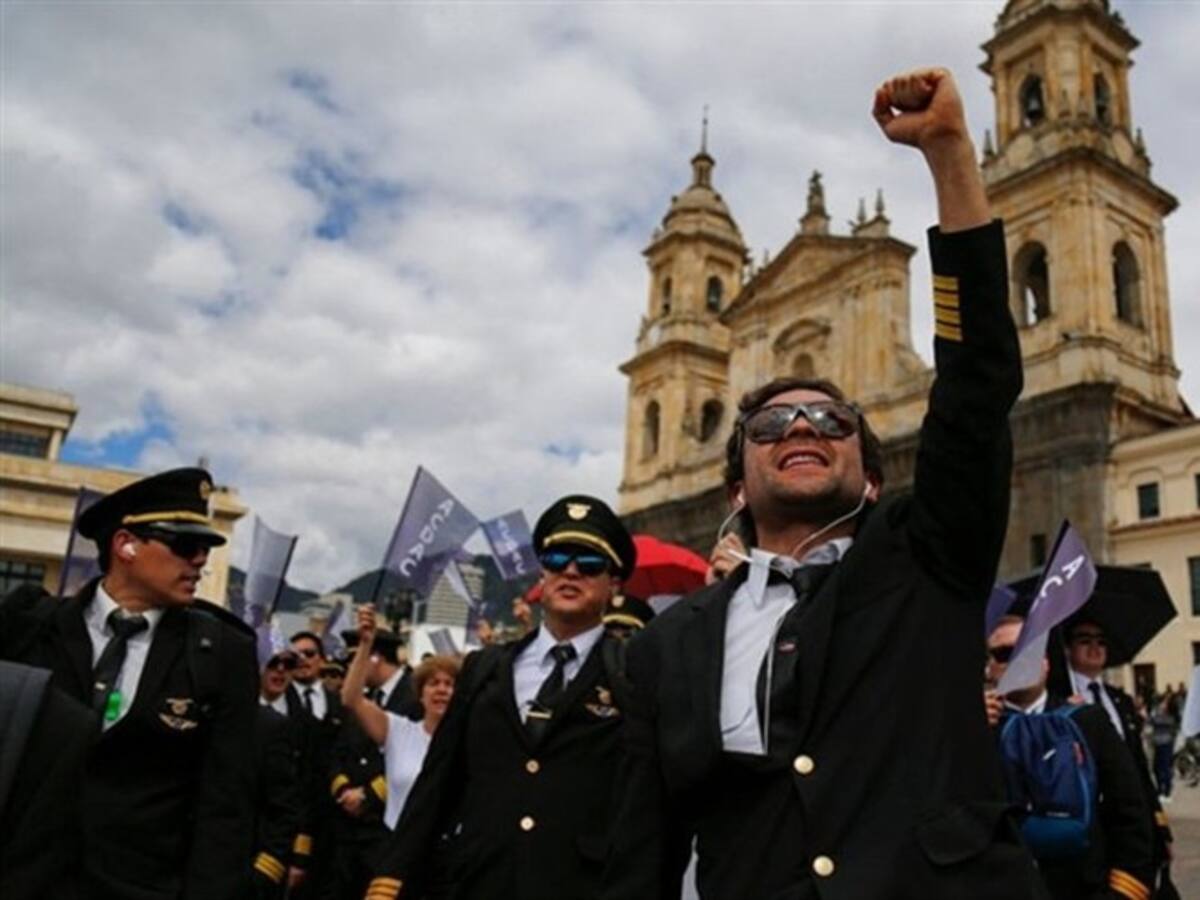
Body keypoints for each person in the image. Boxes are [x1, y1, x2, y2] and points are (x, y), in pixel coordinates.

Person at [603, 68, 1044, 900]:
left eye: (831, 421)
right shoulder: (667, 648)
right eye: (769, 426)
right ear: (735, 486)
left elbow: (979, 382)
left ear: (875, 480)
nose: (801, 427)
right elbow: (643, 848)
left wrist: (951, 157)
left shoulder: (925, 563)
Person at [0, 466, 259, 899]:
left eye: (205, 548)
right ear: (126, 545)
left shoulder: (221, 652)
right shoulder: (28, 627)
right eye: (185, 545)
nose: (200, 560)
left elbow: (225, 808)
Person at [365, 494, 637, 900]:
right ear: (541, 576)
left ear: (614, 583)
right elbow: (437, 785)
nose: (571, 572)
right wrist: (390, 882)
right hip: (479, 883)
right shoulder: (485, 669)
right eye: (557, 561)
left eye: (591, 564)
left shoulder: (633, 674)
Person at [986, 616, 1152, 900]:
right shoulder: (974, 731)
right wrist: (970, 729)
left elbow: (1130, 813)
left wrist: (1121, 892)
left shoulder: (1087, 722)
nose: (1017, 660)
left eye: (1028, 649)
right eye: (1004, 654)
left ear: (1046, 663)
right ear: (990, 668)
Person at [1066, 619, 1175, 890]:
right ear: (1067, 649)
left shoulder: (1120, 701)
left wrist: (1160, 827)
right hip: (1092, 825)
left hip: (1131, 821)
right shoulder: (1061, 702)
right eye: (1084, 640)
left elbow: (1139, 767)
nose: (1095, 647)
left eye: (1101, 641)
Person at [324, 627, 422, 899]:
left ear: (375, 658)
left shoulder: (415, 696)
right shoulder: (362, 699)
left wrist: (368, 795)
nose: (351, 668)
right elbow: (339, 750)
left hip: (387, 827)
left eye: (357, 659)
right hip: (349, 829)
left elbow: (418, 757)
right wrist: (343, 789)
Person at [341, 609, 459, 828]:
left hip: (448, 852)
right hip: (398, 845)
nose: (442, 690)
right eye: (433, 684)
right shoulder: (399, 731)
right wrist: (365, 644)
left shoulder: (468, 741)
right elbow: (351, 699)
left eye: (449, 684)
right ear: (421, 695)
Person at [285, 629, 345, 897]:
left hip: (332, 820)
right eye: (294, 655)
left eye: (309, 653)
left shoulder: (341, 705)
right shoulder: (279, 700)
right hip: (290, 814)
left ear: (322, 659)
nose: (302, 660)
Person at [1149, 696, 1179, 803]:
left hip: (1166, 744)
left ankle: (1166, 791)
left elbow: (1155, 721)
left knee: (1165, 768)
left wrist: (1155, 713)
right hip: (1158, 743)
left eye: (1165, 703)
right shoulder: (1160, 714)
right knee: (1156, 768)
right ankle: (1160, 789)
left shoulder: (1169, 717)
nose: (1162, 704)